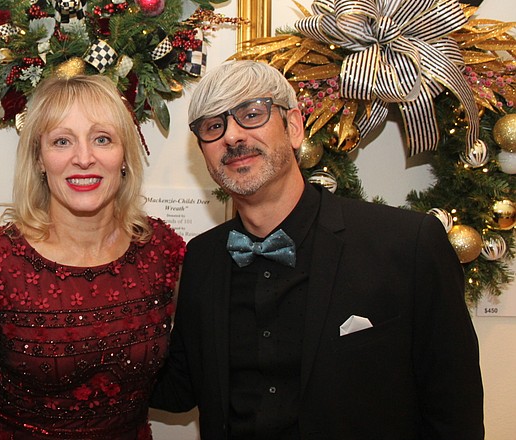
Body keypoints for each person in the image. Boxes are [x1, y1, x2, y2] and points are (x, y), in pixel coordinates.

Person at [150, 59, 484, 439]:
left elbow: (455, 413)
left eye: (252, 114)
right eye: (213, 126)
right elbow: (179, 388)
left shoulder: (408, 244)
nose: (232, 136)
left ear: (293, 126)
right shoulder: (202, 258)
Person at [0, 75, 185, 439]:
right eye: (62, 141)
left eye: (102, 139)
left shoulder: (160, 251)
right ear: (39, 159)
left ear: (125, 155)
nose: (84, 158)